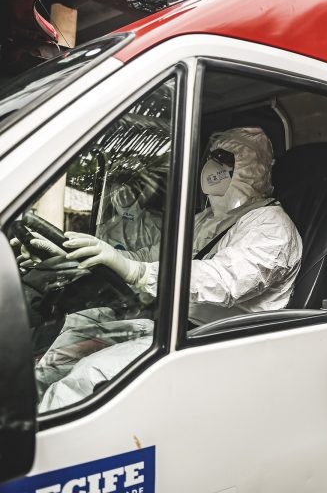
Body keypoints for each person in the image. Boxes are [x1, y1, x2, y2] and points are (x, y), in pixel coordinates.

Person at [36, 127, 302, 409]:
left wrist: (138, 272)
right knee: (74, 335)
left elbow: (223, 281)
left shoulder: (271, 226)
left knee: (89, 375)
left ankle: (34, 445)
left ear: (248, 169)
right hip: (174, 326)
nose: (212, 168)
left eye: (224, 160)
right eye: (212, 158)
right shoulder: (209, 219)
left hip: (215, 344)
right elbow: (159, 253)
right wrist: (94, 255)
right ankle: (25, 411)